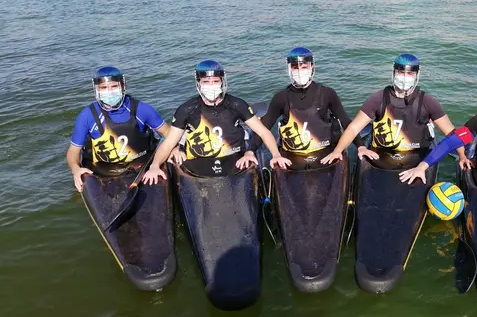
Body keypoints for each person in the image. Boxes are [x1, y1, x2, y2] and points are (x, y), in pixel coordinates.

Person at [142, 60, 290, 184]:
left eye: (215, 81)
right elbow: (168, 142)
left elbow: (263, 131)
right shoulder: (186, 109)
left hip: (235, 161)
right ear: (198, 83)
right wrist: (155, 165)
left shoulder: (237, 104)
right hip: (197, 164)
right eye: (206, 82)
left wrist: (275, 155)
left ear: (222, 82)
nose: (211, 86)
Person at [321, 54, 459, 172]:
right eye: (401, 72)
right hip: (381, 155)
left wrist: (463, 157)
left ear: (417, 75)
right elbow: (353, 128)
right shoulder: (377, 99)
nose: (405, 77)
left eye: (410, 73)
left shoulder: (428, 102)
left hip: (417, 159)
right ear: (394, 73)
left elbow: (451, 133)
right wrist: (338, 151)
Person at [249, 48, 363, 169]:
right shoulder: (280, 98)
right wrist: (250, 151)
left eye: (304, 67)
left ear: (312, 67)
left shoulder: (327, 93)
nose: (299, 71)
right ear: (289, 69)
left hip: (326, 152)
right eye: (295, 67)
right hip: (292, 155)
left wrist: (360, 146)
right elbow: (264, 127)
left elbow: (345, 122)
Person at [66, 66, 171, 192]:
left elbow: (169, 134)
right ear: (96, 90)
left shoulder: (142, 109)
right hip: (103, 173)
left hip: (142, 169)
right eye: (104, 88)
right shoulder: (87, 115)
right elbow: (73, 151)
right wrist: (75, 169)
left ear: (123, 86)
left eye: (114, 86)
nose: (109, 91)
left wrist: (171, 153)